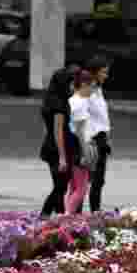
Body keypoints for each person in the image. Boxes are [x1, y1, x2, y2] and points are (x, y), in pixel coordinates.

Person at [39, 66, 76, 218]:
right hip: (58, 148)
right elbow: (58, 130)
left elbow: (47, 129)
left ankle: (60, 215)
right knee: (61, 185)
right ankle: (45, 213)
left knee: (59, 185)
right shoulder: (59, 105)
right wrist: (62, 157)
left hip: (50, 145)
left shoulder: (50, 100)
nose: (73, 87)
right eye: (71, 83)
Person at [63, 68, 98, 215]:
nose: (93, 90)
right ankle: (67, 217)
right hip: (79, 147)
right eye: (92, 86)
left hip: (70, 146)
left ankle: (66, 213)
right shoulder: (80, 103)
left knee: (72, 187)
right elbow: (80, 131)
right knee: (81, 188)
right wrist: (86, 153)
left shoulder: (71, 100)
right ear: (84, 84)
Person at [85, 56, 111, 214]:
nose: (106, 76)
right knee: (85, 181)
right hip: (91, 138)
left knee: (99, 180)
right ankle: (77, 213)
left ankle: (96, 211)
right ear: (94, 73)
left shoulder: (99, 90)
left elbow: (102, 116)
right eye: (103, 72)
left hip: (101, 138)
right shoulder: (86, 91)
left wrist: (107, 136)